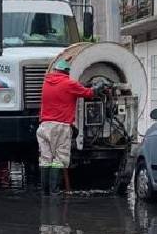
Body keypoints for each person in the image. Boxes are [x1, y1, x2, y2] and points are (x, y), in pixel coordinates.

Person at [36, 58, 105, 195]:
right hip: (60, 127)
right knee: (59, 159)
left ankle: (45, 193)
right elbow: (89, 93)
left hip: (44, 126)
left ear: (55, 70)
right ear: (67, 72)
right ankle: (54, 193)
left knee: (45, 159)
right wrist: (100, 86)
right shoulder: (69, 84)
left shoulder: (46, 83)